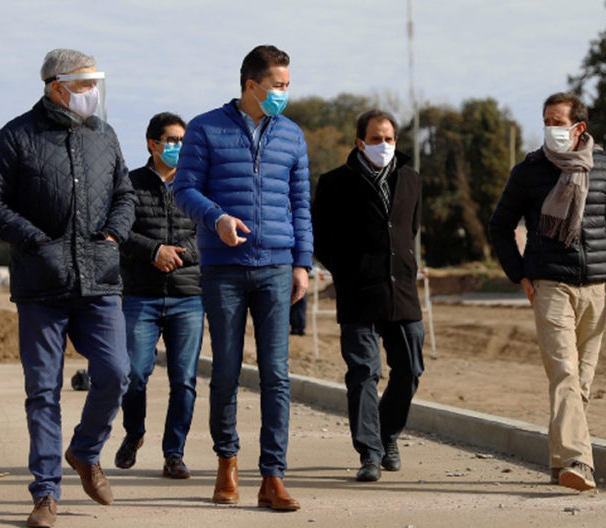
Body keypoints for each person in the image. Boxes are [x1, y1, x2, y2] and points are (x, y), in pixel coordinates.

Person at [0, 48, 136, 528]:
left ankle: (85, 451)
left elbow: (124, 193)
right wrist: (34, 240)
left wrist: (113, 235)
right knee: (43, 390)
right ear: (56, 86)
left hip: (100, 280)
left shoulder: (104, 136)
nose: (92, 94)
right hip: (42, 284)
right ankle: (45, 494)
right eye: (84, 85)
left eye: (94, 85)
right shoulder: (17, 136)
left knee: (116, 373)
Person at [173, 44, 312, 512]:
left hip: (276, 266)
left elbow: (300, 205)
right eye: (277, 86)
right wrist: (216, 219)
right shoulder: (205, 128)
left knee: (276, 374)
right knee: (227, 371)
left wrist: (301, 263)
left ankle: (273, 476)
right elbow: (184, 188)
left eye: (288, 86)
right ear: (251, 85)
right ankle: (227, 464)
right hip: (223, 269)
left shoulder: (292, 136)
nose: (284, 94)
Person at [487, 92, 606, 492]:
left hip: (599, 288)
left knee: (581, 380)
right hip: (550, 284)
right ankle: (579, 462)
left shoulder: (604, 168)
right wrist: (519, 274)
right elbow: (499, 226)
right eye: (547, 121)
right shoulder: (529, 171)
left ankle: (558, 461)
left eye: (558, 121)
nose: (551, 129)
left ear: (578, 127)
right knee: (565, 372)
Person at [313, 109, 424, 483]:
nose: (384, 145)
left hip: (403, 291)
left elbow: (410, 230)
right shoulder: (335, 183)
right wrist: (348, 270)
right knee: (363, 372)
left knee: (409, 370)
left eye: (389, 138)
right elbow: (322, 237)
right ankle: (370, 452)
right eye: (376, 139)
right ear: (360, 142)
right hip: (358, 292)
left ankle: (388, 434)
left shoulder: (411, 179)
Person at [113, 112, 203, 479]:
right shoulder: (128, 184)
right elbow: (118, 231)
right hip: (141, 296)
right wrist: (153, 251)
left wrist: (177, 254)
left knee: (184, 379)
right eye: (172, 140)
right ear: (153, 143)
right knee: (133, 373)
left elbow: (208, 231)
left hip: (188, 296)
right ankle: (134, 434)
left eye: (183, 140)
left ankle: (174, 453)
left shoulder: (197, 183)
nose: (179, 147)